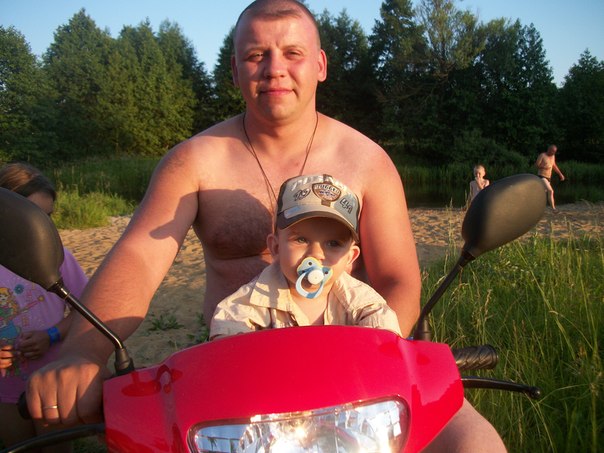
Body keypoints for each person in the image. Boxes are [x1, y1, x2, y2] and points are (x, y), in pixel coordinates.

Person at [26, 1, 505, 451]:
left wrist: (374, 362)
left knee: (477, 444)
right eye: (256, 55)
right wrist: (82, 353)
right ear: (235, 70)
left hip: (358, 372)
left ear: (320, 65)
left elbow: (398, 278)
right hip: (238, 379)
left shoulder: (367, 161)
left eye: (292, 53)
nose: (274, 68)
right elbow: (139, 258)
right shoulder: (194, 161)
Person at [210, 174, 402, 339]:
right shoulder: (248, 304)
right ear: (276, 247)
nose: (316, 254)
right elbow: (228, 343)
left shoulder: (361, 302)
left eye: (333, 243)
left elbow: (384, 341)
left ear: (350, 257)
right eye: (301, 239)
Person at [0, 163, 88, 452]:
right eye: (33, 216)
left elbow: (84, 310)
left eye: (48, 217)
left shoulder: (58, 256)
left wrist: (51, 335)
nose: (44, 228)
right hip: (5, 391)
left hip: (53, 380)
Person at [536, 144, 565, 211]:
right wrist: (543, 167)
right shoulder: (542, 155)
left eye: (554, 152)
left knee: (544, 193)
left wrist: (560, 174)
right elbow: (536, 165)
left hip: (548, 177)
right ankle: (553, 209)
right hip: (541, 176)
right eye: (552, 151)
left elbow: (554, 166)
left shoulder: (553, 156)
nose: (553, 153)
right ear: (549, 150)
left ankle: (535, 205)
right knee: (550, 191)